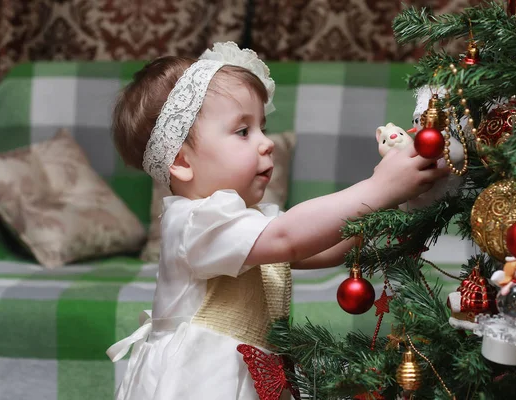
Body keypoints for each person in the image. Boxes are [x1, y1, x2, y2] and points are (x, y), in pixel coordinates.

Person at [106, 42, 449, 400]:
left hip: (248, 374)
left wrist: (395, 199)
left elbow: (322, 247)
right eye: (243, 131)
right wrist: (378, 187)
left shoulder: (248, 221)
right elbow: (288, 238)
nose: (266, 143)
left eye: (262, 128)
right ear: (181, 162)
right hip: (200, 381)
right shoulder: (192, 223)